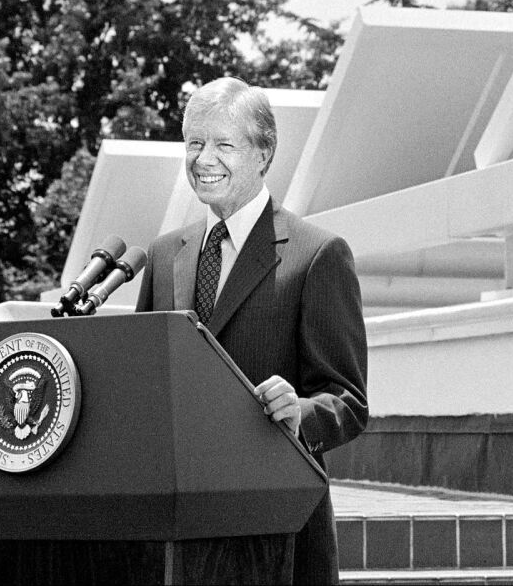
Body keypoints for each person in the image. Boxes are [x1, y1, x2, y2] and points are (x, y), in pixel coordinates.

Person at [136, 77, 368, 583]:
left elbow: (348, 403)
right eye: (194, 143)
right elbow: (142, 386)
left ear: (265, 154)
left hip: (277, 535)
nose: (203, 159)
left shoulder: (317, 255)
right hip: (175, 535)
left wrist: (299, 412)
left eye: (223, 144)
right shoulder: (162, 254)